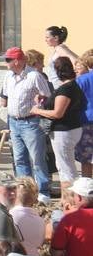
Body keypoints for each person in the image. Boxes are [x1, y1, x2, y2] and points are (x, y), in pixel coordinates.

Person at [0, 46, 54, 202]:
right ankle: (25, 191)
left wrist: (40, 101)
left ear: (17, 61)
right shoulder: (8, 76)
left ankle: (43, 190)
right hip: (14, 121)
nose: (6, 63)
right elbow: (6, 97)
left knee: (37, 158)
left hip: (30, 121)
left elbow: (48, 97)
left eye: (8, 60)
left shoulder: (34, 76)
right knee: (19, 158)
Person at [36, 56, 88, 193]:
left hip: (64, 131)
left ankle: (72, 197)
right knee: (66, 165)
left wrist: (37, 110)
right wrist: (47, 100)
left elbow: (58, 113)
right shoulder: (74, 86)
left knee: (65, 167)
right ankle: (72, 197)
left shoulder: (66, 88)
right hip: (73, 128)